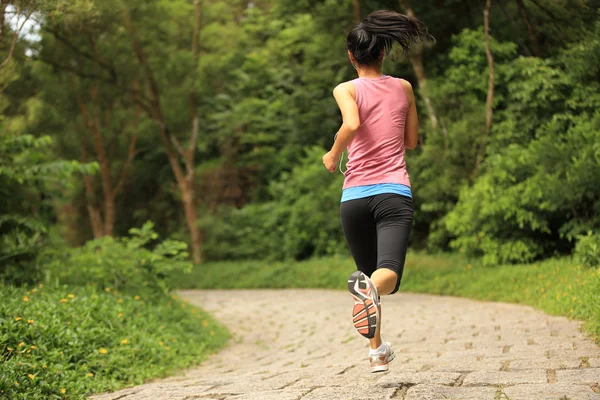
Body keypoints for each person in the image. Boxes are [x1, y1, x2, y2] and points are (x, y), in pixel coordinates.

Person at [322, 10, 432, 373]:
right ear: (383, 53)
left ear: (351, 56)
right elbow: (412, 142)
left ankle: (377, 352)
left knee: (368, 276)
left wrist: (334, 152)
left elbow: (351, 122)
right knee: (387, 276)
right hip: (392, 194)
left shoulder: (346, 88)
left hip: (353, 198)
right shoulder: (403, 88)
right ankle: (370, 310)